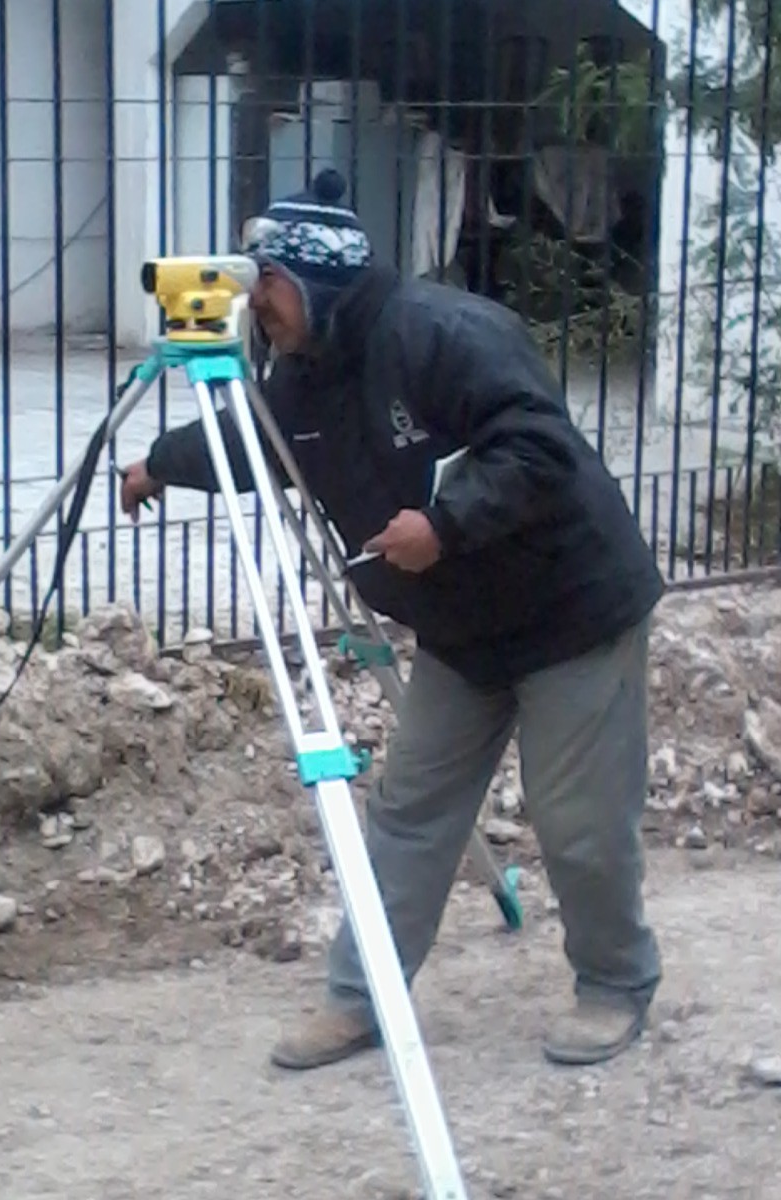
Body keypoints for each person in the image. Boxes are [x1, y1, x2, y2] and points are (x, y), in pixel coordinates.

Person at [120, 167, 665, 1071]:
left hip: (570, 613)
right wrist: (159, 465)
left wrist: (445, 525)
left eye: (269, 283)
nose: (258, 306)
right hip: (463, 633)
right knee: (408, 812)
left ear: (317, 279)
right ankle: (361, 995)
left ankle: (614, 984)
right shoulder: (305, 374)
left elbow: (541, 447)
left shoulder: (443, 333)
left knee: (577, 819)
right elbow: (256, 443)